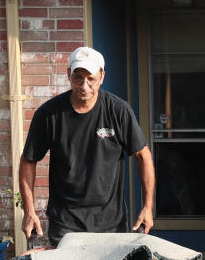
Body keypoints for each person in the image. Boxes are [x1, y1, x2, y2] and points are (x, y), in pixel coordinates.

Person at [19, 46, 155, 247]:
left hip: (110, 221)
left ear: (102, 77)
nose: (84, 85)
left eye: (91, 78)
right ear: (68, 75)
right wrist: (29, 211)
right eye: (78, 77)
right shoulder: (49, 114)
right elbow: (28, 160)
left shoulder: (118, 111)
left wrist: (147, 206)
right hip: (65, 221)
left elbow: (143, 155)